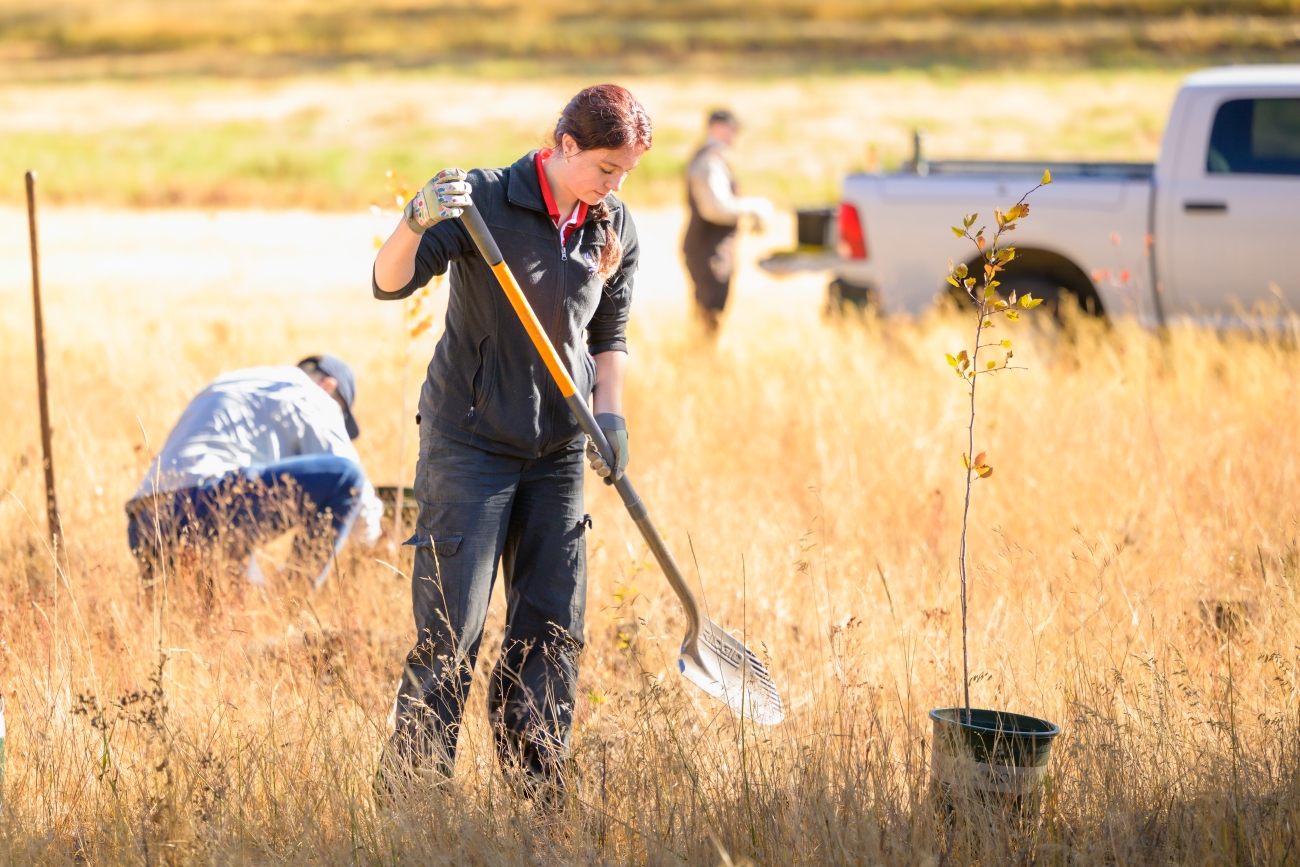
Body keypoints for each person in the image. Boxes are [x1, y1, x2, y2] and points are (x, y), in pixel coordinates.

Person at [371, 83, 651, 793]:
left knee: (552, 628)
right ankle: (415, 796)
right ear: (565, 146)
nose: (615, 185)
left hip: (557, 450)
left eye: (626, 172)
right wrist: (413, 221)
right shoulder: (484, 201)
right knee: (452, 629)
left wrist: (611, 415)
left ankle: (537, 791)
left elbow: (608, 333)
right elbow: (388, 281)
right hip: (470, 444)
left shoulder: (612, 225)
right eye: (606, 168)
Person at [126, 355, 383, 590]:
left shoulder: (235, 382)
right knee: (347, 476)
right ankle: (290, 604)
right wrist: (376, 541)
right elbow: (353, 485)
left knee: (240, 610)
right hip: (204, 505)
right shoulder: (307, 392)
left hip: (145, 524)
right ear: (328, 385)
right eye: (340, 411)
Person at [682, 108, 773, 334]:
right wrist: (755, 208)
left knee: (710, 311)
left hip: (711, 248)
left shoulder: (712, 157)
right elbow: (715, 208)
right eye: (732, 129)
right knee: (711, 312)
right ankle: (702, 352)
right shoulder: (709, 161)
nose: (735, 134)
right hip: (709, 250)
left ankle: (701, 351)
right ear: (718, 127)